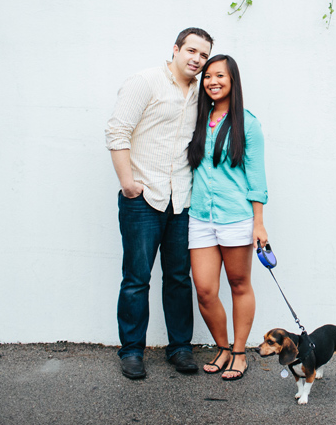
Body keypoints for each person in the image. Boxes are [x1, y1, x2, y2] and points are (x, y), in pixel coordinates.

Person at [105, 28, 214, 380]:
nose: (196, 59)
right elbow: (117, 131)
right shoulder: (145, 82)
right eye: (191, 51)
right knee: (136, 278)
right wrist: (127, 183)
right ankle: (132, 351)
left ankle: (180, 349)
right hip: (143, 197)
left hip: (181, 199)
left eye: (203, 55)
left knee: (179, 278)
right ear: (176, 49)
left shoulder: (202, 92)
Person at [187, 55, 268, 381]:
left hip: (235, 218)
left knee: (238, 284)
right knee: (205, 290)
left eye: (219, 75)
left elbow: (257, 178)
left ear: (232, 80)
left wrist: (258, 223)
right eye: (208, 76)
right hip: (200, 217)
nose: (212, 81)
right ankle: (222, 347)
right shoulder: (198, 117)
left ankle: (238, 352)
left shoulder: (247, 123)